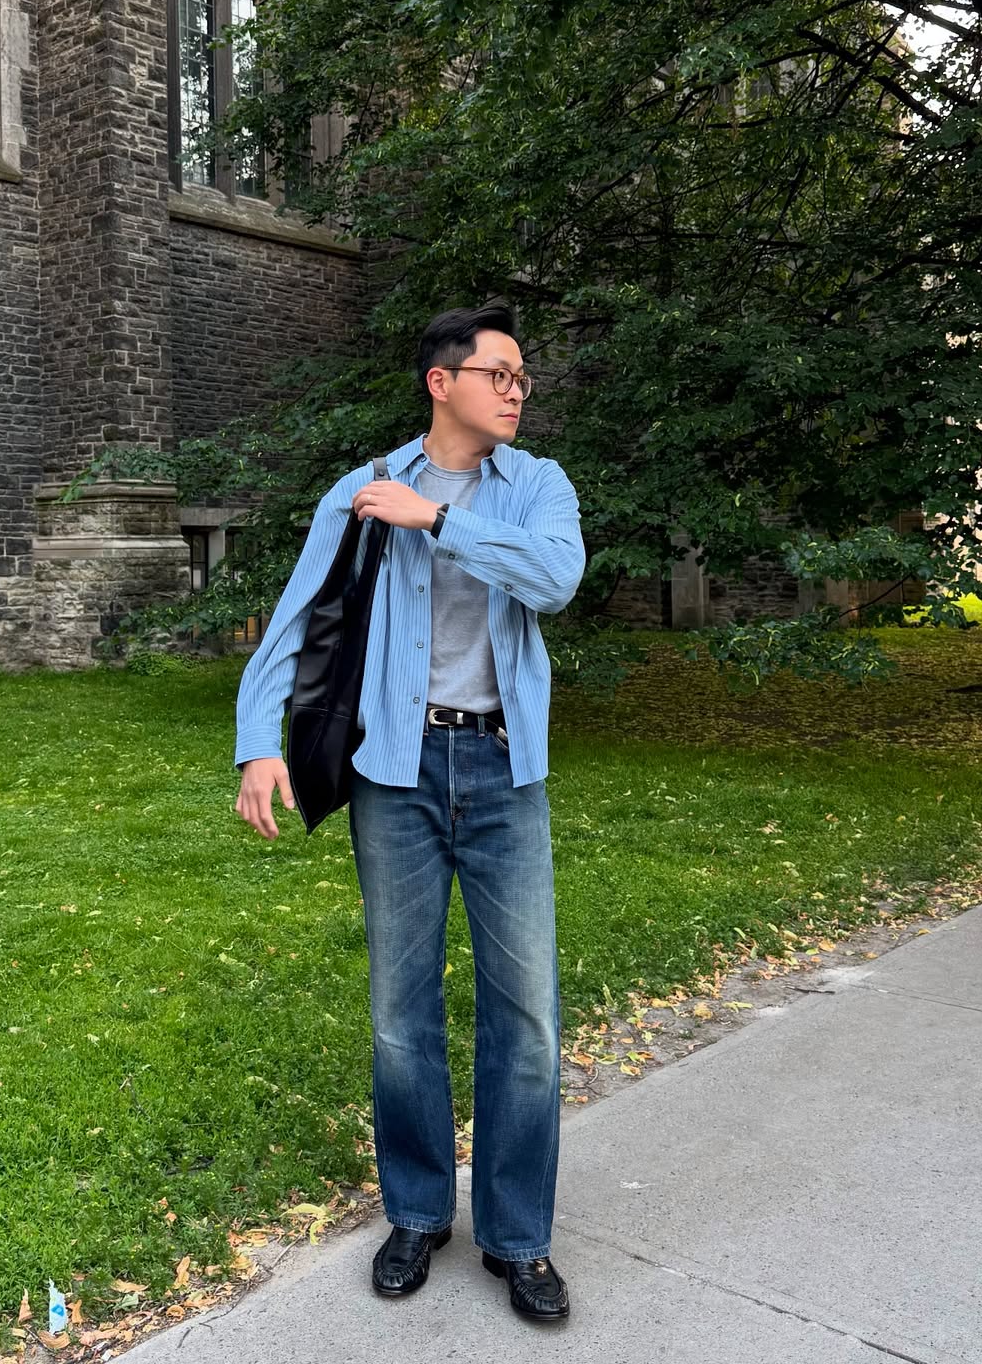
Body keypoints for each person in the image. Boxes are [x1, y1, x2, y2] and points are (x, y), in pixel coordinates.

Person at [234, 303, 586, 1322]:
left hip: (505, 771)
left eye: (522, 377)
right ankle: (419, 1212)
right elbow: (299, 616)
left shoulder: (539, 486)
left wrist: (437, 522)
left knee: (527, 1018)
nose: (516, 391)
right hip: (396, 772)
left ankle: (518, 1238)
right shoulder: (363, 490)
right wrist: (259, 740)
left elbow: (556, 580)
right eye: (498, 374)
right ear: (443, 382)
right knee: (401, 1014)